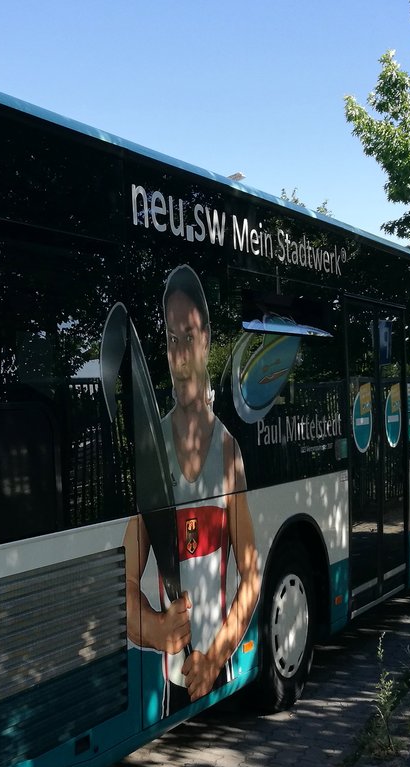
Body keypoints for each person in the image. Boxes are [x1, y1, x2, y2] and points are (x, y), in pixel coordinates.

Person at [123, 265, 262, 712]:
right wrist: (153, 627)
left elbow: (251, 577)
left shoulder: (229, 451)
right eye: (171, 339)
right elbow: (122, 583)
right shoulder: (151, 453)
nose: (181, 353)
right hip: (169, 686)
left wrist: (216, 656)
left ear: (207, 342)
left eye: (190, 336)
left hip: (214, 668)